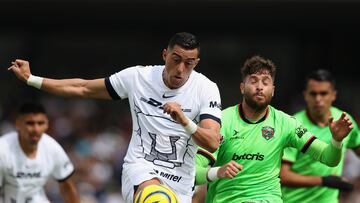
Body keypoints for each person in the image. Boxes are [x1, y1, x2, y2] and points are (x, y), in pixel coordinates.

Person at [8, 32, 222, 203]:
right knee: (157, 198)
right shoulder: (139, 77)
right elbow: (82, 87)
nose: (181, 69)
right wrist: (32, 79)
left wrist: (185, 121)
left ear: (197, 62)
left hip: (181, 183)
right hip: (141, 170)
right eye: (176, 60)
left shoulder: (206, 89)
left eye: (189, 63)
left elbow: (212, 142)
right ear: (165, 54)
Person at [195, 55, 354, 203]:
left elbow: (328, 158)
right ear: (242, 87)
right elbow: (194, 173)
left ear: (273, 90)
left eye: (265, 82)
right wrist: (217, 172)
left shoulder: (286, 123)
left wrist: (336, 141)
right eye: (254, 81)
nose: (259, 87)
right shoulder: (222, 121)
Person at [280, 69, 360, 203]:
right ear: (305, 95)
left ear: (333, 95)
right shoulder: (293, 125)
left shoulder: (344, 121)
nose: (318, 99)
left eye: (323, 93)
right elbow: (283, 176)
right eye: (313, 94)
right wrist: (323, 181)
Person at [0, 102, 80, 203]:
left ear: (47, 125)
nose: (36, 129)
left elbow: (67, 187)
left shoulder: (52, 148)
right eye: (30, 123)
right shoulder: (3, 150)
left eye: (40, 123)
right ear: (18, 124)